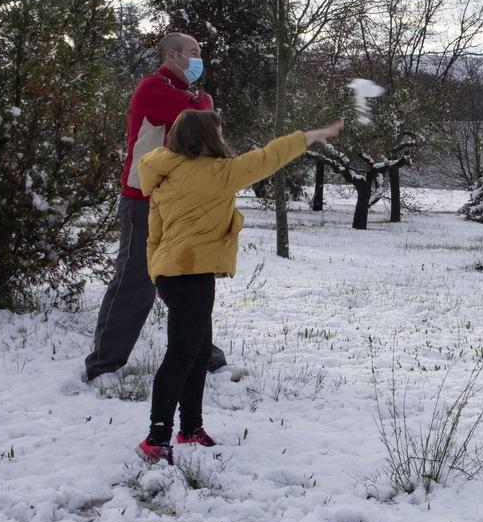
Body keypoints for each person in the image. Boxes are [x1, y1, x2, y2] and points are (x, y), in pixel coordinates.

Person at [135, 110, 344, 463]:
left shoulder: (165, 175)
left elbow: (154, 234)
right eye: (217, 132)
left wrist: (157, 274)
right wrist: (309, 135)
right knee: (182, 356)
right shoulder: (220, 173)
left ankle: (190, 428)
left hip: (173, 276)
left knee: (197, 354)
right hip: (193, 277)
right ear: (204, 139)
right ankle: (157, 438)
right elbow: (269, 156)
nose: (222, 138)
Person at [83, 32, 239, 385]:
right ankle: (103, 366)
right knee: (135, 282)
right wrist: (202, 102)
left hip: (181, 205)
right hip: (143, 202)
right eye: (194, 53)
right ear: (172, 56)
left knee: (192, 282)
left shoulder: (188, 94)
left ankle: (206, 357)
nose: (200, 60)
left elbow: (206, 123)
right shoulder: (152, 88)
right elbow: (200, 115)